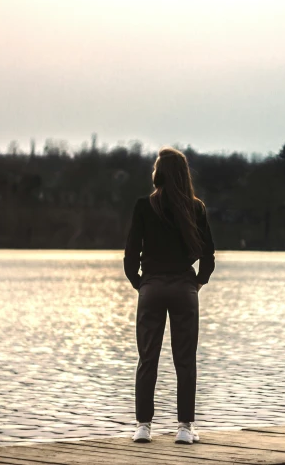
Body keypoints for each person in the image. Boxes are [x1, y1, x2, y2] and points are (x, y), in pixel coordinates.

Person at [123, 147, 215, 445]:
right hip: (183, 290)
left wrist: (141, 283)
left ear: (158, 173)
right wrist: (197, 283)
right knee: (185, 361)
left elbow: (130, 255)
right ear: (184, 174)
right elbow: (209, 257)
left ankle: (143, 427)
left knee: (147, 358)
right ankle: (185, 428)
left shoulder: (143, 206)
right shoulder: (196, 208)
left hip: (151, 288)